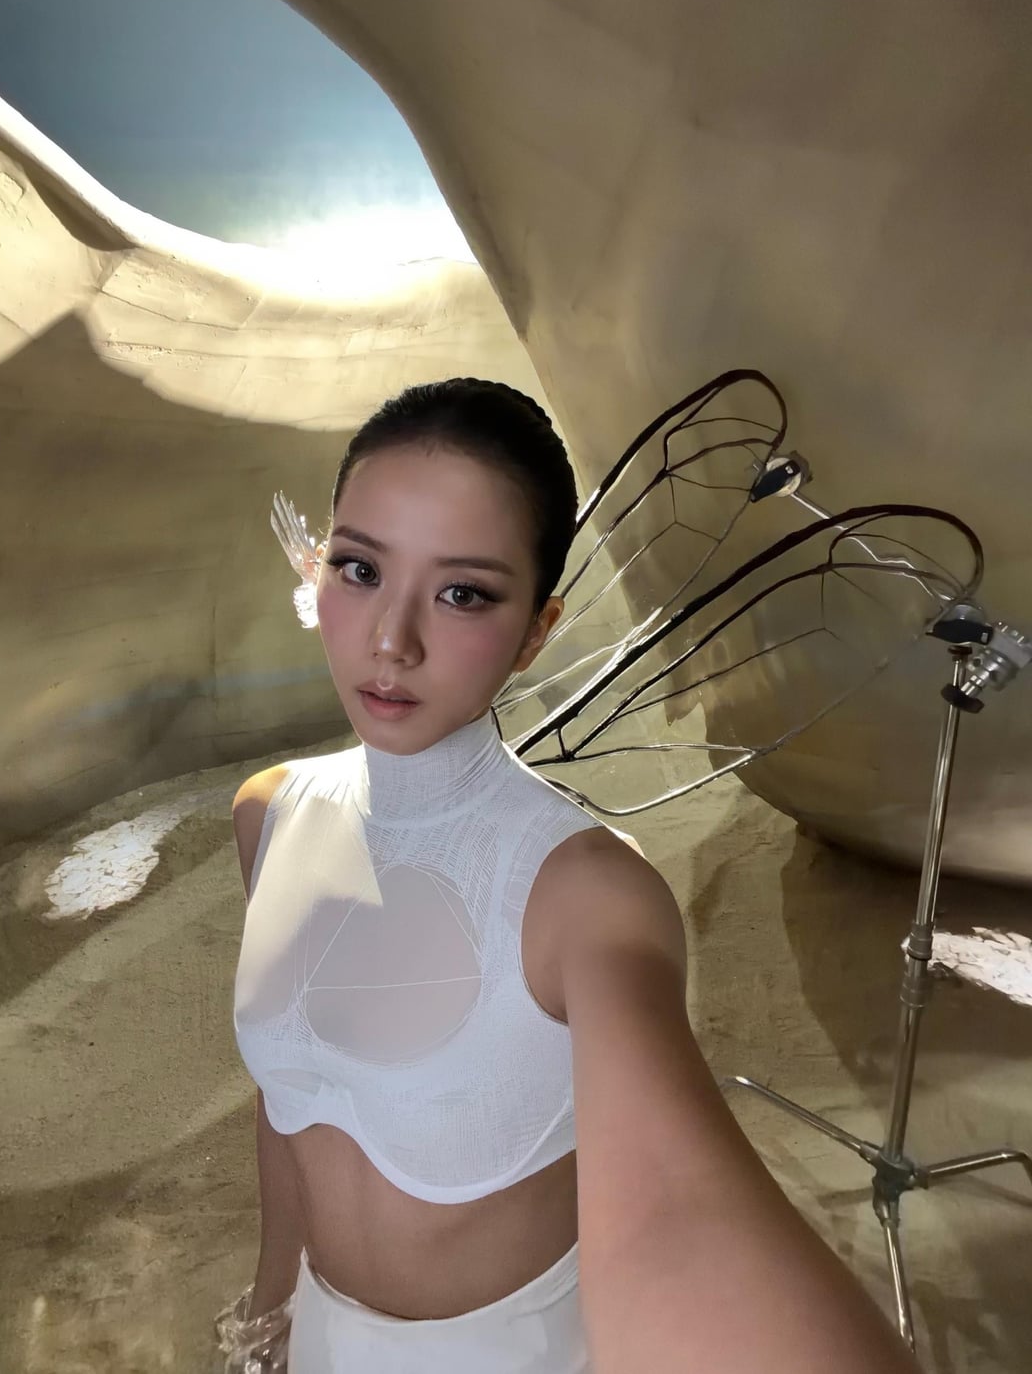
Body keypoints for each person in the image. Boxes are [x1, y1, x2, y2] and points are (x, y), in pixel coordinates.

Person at [225, 379, 920, 1373]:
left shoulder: (586, 895)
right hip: (321, 1337)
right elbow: (286, 1102)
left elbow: (679, 1218)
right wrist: (270, 1304)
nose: (390, 640)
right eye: (361, 568)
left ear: (536, 631)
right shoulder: (268, 813)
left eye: (463, 593)